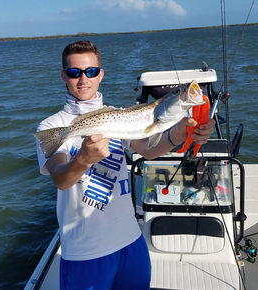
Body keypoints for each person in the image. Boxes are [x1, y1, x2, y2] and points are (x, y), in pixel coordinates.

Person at [36, 40, 215, 290]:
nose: (83, 79)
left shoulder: (119, 114)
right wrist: (84, 159)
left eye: (91, 71)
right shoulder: (51, 127)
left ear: (101, 74)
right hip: (86, 251)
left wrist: (182, 133)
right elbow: (61, 179)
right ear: (64, 75)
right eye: (75, 73)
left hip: (131, 241)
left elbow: (148, 149)